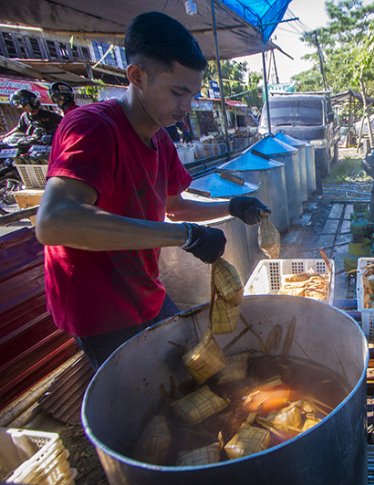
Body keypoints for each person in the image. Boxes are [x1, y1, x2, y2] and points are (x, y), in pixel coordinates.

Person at [35, 12, 268, 370]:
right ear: (137, 76)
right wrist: (185, 237)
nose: (186, 108)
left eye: (192, 95)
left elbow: (177, 207)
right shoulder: (92, 128)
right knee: (148, 405)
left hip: (145, 290)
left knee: (198, 369)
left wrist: (232, 206)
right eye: (177, 92)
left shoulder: (160, 140)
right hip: (100, 310)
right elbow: (55, 221)